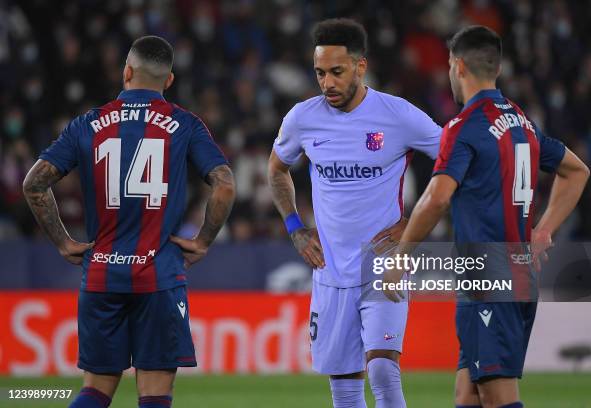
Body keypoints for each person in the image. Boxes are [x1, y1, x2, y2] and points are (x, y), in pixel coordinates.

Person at [22, 35, 235, 408]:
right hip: (159, 277)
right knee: (154, 395)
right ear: (168, 81)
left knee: (95, 391)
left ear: (126, 72)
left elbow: (34, 184)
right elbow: (224, 185)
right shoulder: (184, 124)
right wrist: (202, 240)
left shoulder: (87, 123)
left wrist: (63, 241)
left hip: (102, 274)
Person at [383, 26, 589, 408]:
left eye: (448, 65)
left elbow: (437, 197)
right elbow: (577, 171)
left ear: (458, 66)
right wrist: (543, 229)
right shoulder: (521, 122)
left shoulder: (464, 127)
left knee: (496, 395)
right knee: (468, 393)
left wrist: (402, 254)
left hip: (488, 277)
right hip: (519, 273)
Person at [268, 18, 442, 408]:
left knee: (382, 370)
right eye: (319, 73)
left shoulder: (398, 115)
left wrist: (413, 223)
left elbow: (455, 159)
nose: (327, 83)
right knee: (344, 389)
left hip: (382, 265)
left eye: (336, 72)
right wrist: (295, 227)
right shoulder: (302, 118)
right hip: (329, 269)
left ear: (360, 67)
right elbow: (276, 170)